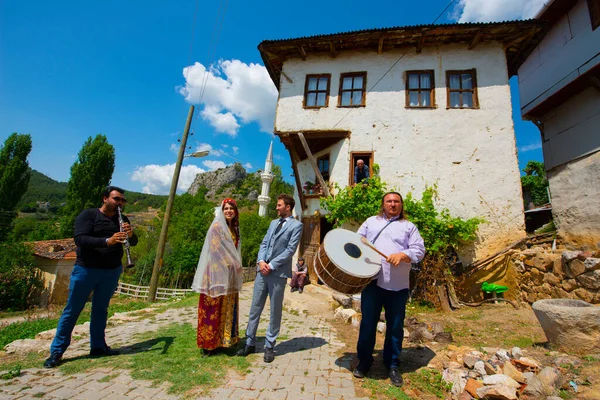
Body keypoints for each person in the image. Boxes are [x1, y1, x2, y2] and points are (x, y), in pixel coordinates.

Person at [44, 186, 138, 368]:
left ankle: (98, 346)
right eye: (116, 199)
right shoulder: (88, 216)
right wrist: (107, 241)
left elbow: (133, 242)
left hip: (111, 270)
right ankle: (57, 351)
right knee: (72, 311)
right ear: (105, 198)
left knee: (101, 310)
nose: (120, 203)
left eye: (122, 200)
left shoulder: (122, 219)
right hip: (86, 270)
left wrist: (131, 234)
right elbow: (80, 239)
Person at [353, 192, 425, 387]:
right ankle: (364, 361)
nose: (393, 204)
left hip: (398, 284)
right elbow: (357, 243)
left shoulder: (409, 227)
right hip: (372, 282)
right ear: (383, 204)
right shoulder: (370, 222)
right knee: (368, 323)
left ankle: (392, 363)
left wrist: (403, 254)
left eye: (396, 201)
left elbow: (419, 249)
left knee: (395, 327)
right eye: (389, 201)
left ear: (401, 205)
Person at [238, 194, 303, 363]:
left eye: (279, 205)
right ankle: (249, 342)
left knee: (275, 311)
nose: (276, 208)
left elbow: (290, 250)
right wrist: (260, 262)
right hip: (262, 272)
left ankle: (269, 345)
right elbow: (264, 243)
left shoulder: (297, 225)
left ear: (288, 207)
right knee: (255, 308)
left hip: (278, 274)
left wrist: (271, 265)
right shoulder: (273, 223)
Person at [191, 198, 243, 355]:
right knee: (212, 308)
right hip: (215, 274)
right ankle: (208, 344)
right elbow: (215, 250)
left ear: (235, 211)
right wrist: (230, 263)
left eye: (231, 208)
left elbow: (235, 251)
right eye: (226, 208)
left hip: (229, 275)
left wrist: (235, 266)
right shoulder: (216, 227)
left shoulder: (234, 229)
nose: (228, 211)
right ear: (222, 211)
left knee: (227, 306)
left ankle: (224, 341)